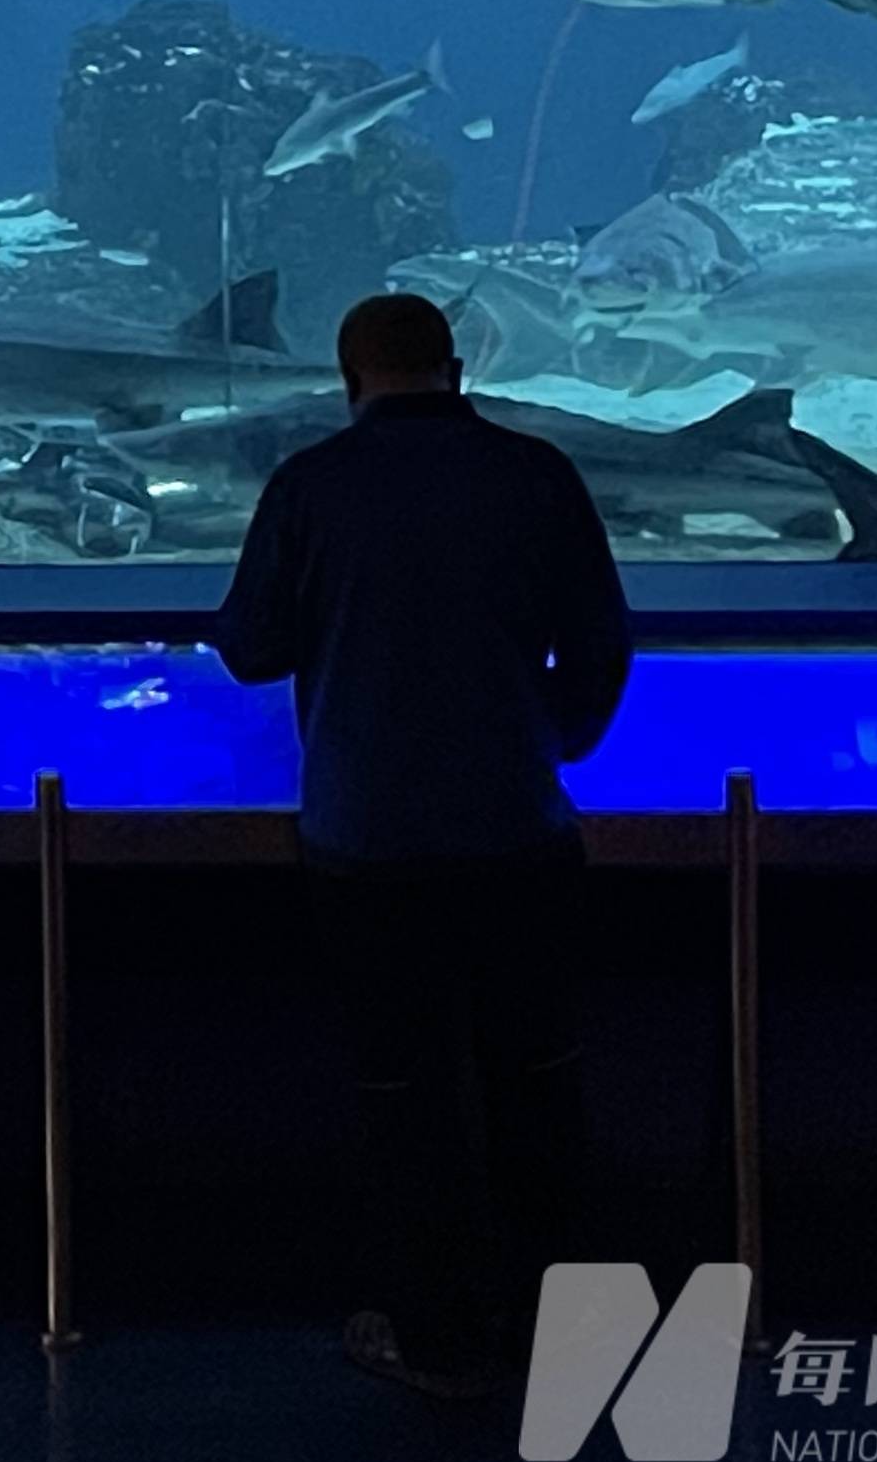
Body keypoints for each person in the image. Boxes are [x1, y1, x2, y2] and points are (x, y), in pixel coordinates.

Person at [212, 291, 633, 1401]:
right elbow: (601, 639)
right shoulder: (537, 471)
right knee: (539, 1082)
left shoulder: (310, 484)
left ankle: (439, 1338)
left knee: (407, 1096)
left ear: (350, 379)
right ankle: (572, 1343)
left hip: (368, 839)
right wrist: (560, 739)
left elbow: (250, 650)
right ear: (456, 368)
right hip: (518, 831)